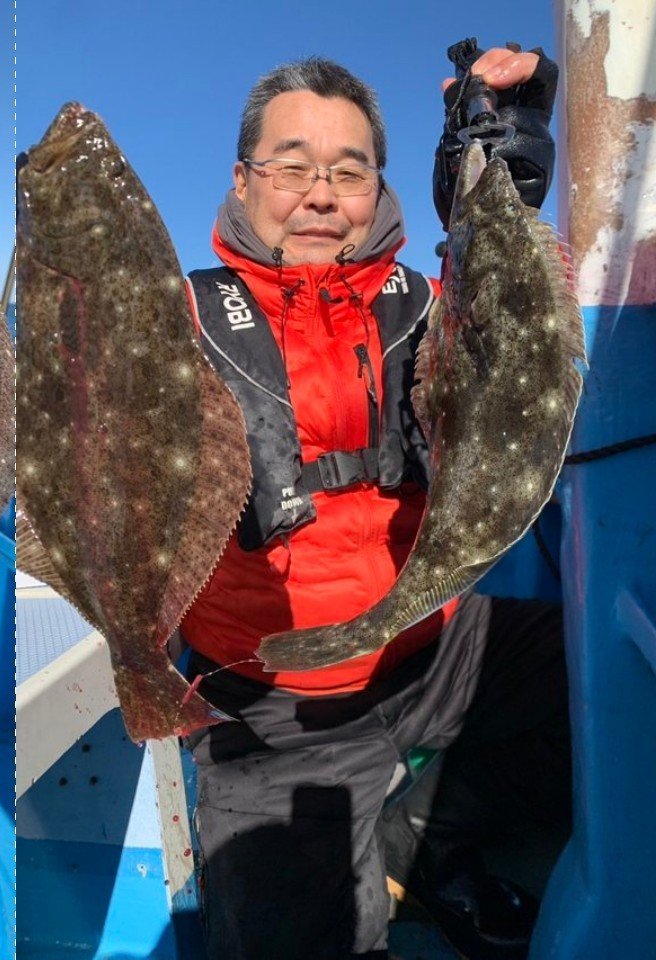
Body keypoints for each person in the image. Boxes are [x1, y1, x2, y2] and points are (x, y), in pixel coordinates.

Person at [180, 42, 570, 960]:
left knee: (620, 690)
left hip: (438, 649)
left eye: (349, 172)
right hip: (278, 699)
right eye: (291, 168)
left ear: (379, 189)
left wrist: (499, 168)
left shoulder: (433, 305)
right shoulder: (173, 324)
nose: (321, 195)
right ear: (242, 182)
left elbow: (511, 320)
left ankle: (422, 837)